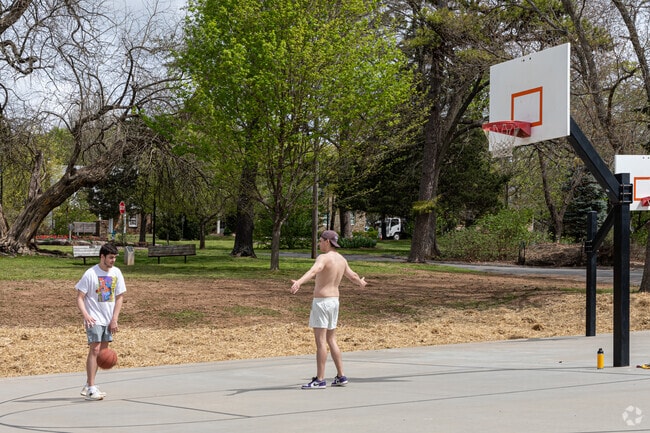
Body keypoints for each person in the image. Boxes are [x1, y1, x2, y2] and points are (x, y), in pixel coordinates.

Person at [290, 230, 367, 389]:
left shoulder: (323, 258)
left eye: (320, 240)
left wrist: (299, 282)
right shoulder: (341, 259)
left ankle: (320, 379)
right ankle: (341, 375)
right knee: (332, 339)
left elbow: (314, 270)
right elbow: (352, 276)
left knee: (321, 342)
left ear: (327, 241)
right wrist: (361, 283)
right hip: (334, 302)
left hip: (322, 302)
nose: (319, 243)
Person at [75, 243, 126, 401]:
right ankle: (91, 388)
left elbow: (119, 297)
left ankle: (88, 384)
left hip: (108, 319)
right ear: (102, 257)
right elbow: (79, 297)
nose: (113, 261)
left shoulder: (116, 272)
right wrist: (86, 315)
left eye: (115, 258)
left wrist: (114, 319)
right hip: (94, 319)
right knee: (95, 351)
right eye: (110, 257)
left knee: (102, 353)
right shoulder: (90, 274)